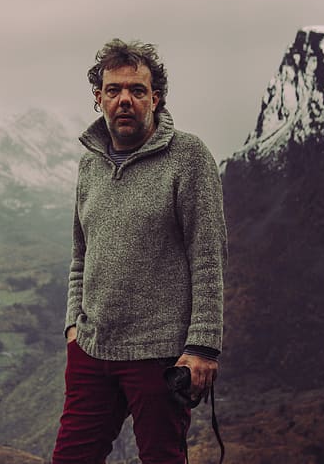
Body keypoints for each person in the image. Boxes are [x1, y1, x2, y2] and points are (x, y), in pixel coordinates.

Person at [52, 38, 227, 464]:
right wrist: (74, 327)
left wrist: (203, 347)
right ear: (99, 99)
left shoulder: (188, 157)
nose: (124, 99)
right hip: (92, 350)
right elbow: (81, 254)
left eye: (136, 90)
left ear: (156, 97)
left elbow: (207, 255)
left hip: (160, 354)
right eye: (113, 90)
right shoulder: (89, 164)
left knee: (162, 458)